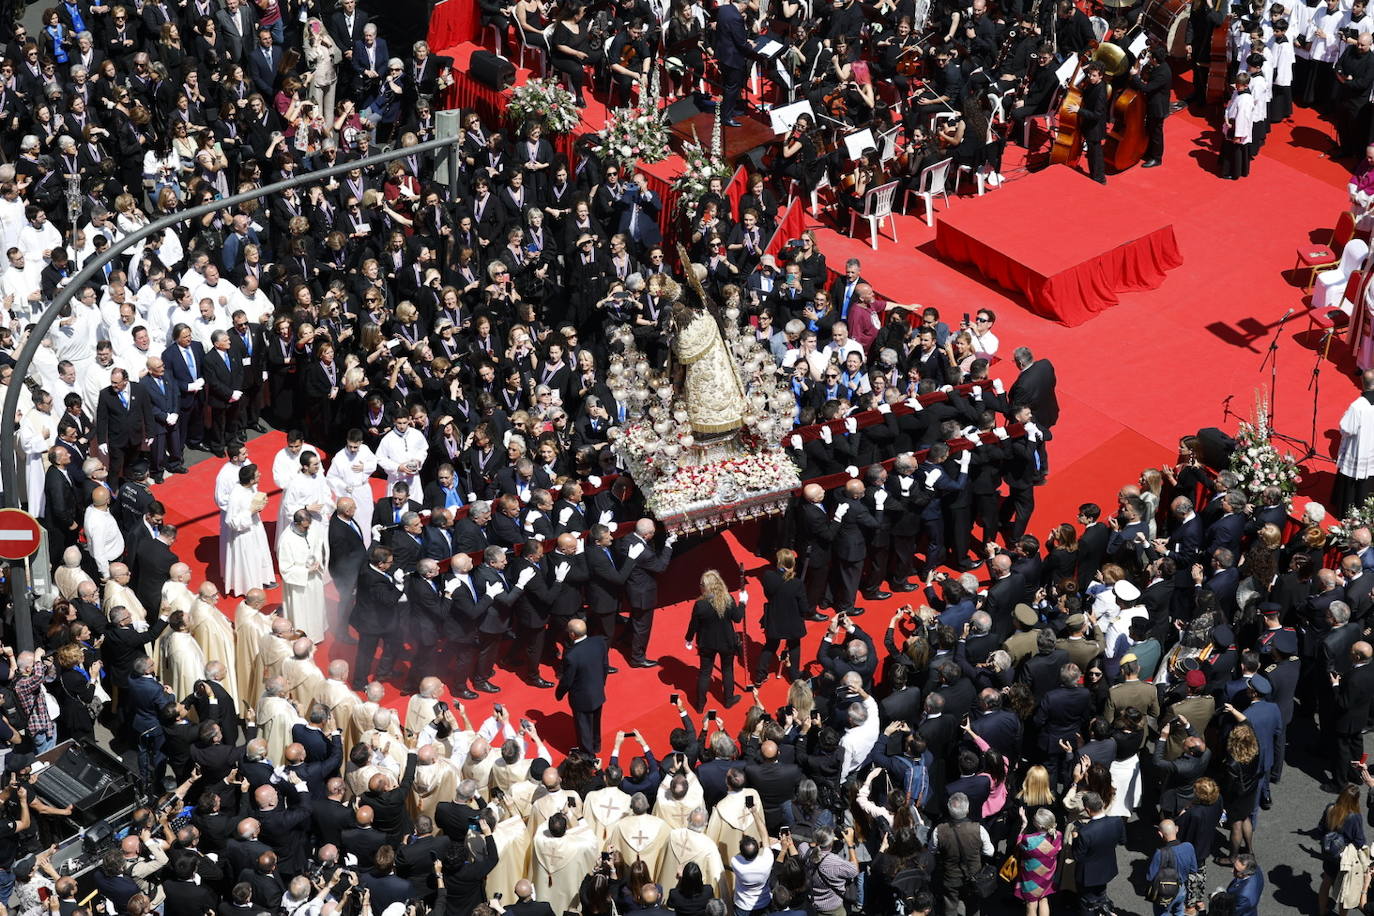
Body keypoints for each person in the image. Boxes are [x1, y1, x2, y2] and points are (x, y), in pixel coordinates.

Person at [685, 570, 746, 711]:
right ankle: (728, 700)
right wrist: (742, 602)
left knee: (704, 673)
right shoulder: (728, 599)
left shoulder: (700, 605)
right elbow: (737, 618)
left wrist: (689, 639)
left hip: (707, 643)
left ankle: (700, 705)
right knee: (727, 670)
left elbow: (693, 625)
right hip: (726, 641)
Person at [556, 617, 611, 753]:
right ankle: (596, 746)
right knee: (596, 723)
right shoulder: (599, 642)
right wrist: (601, 684)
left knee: (584, 729)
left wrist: (559, 694)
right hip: (598, 692)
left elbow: (567, 680)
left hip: (582, 698)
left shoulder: (572, 655)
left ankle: (588, 756)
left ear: (572, 635)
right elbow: (605, 667)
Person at [1335, 368, 1374, 517]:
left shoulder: (1357, 406)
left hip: (1357, 448)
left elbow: (1346, 428)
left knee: (1352, 482)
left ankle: (1347, 511)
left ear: (1362, 383)